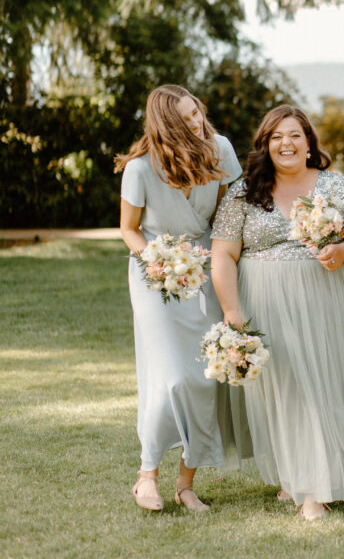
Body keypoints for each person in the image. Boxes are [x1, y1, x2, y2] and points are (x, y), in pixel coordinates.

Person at [211, 105, 344, 520]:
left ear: (309, 143)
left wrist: (340, 251)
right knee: (284, 389)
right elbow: (222, 255)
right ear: (265, 146)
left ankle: (316, 489)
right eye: (276, 137)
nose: (285, 144)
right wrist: (233, 312)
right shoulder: (243, 191)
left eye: (294, 135)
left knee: (322, 385)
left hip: (326, 295)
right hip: (265, 300)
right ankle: (295, 474)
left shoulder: (336, 186)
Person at [116, 84, 242, 511]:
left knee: (205, 376)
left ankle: (186, 483)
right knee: (170, 376)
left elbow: (228, 214)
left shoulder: (220, 148)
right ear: (167, 125)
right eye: (187, 119)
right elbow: (129, 229)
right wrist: (159, 260)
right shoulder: (139, 168)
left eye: (198, 113)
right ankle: (146, 474)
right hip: (156, 276)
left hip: (206, 268)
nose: (198, 123)